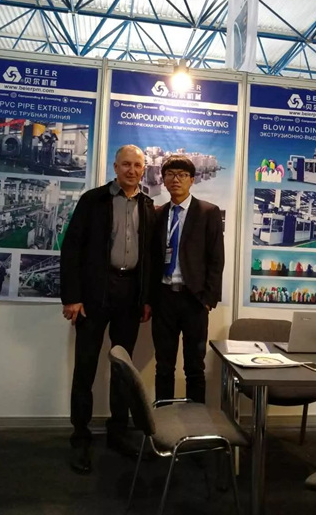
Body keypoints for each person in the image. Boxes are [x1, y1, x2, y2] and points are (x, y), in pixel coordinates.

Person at [60, 144, 155, 475]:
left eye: (137, 166)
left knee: (122, 370)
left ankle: (118, 432)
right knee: (85, 367)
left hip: (129, 296)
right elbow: (71, 248)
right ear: (115, 167)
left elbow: (150, 258)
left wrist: (146, 299)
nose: (132, 170)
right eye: (126, 164)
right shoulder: (93, 200)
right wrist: (72, 297)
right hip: (93, 295)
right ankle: (80, 437)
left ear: (143, 170)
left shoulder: (147, 205)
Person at [151, 155, 224, 404]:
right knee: (163, 366)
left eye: (182, 175)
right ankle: (162, 418)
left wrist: (208, 299)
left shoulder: (208, 212)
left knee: (194, 367)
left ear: (192, 180)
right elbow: (152, 258)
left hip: (194, 299)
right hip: (164, 299)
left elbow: (216, 258)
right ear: (164, 179)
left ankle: (196, 421)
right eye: (170, 174)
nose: (176, 179)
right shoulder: (158, 214)